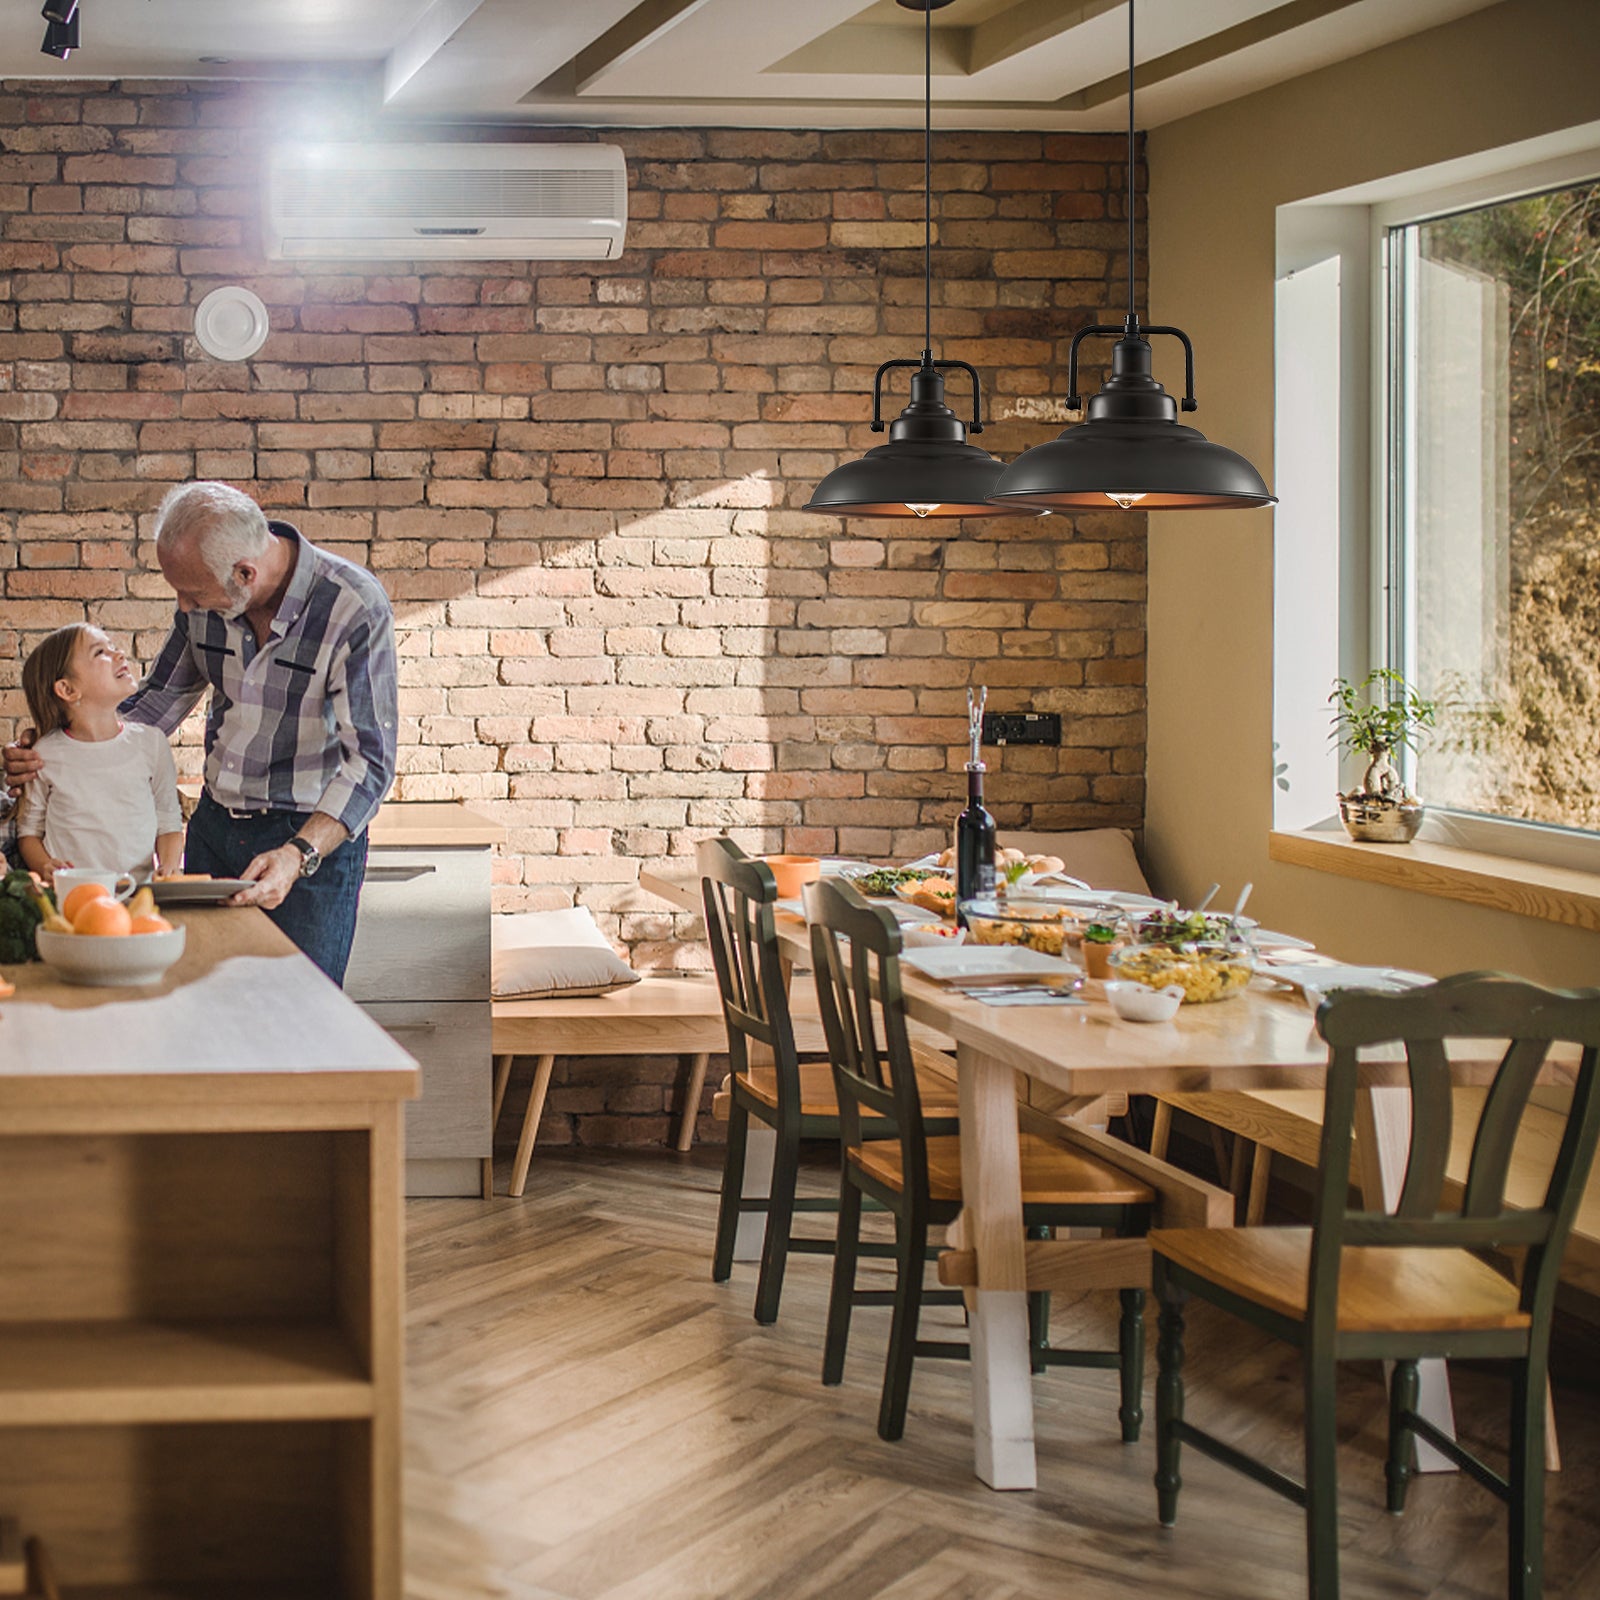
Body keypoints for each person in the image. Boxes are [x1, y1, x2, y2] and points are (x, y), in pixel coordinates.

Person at [4, 481, 398, 984]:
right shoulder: (208, 603)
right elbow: (157, 705)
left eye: (192, 593)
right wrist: (57, 747)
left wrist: (297, 855)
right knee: (203, 1004)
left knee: (302, 1019)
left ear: (244, 574)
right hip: (213, 834)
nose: (184, 607)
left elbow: (370, 762)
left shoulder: (352, 608)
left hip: (304, 844)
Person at [15, 623, 185, 887]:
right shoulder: (43, 754)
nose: (119, 655)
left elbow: (168, 822)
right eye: (100, 653)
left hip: (139, 894)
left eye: (114, 647)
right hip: (72, 896)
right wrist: (45, 866)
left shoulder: (152, 744)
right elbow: (28, 833)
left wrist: (170, 866)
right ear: (68, 690)